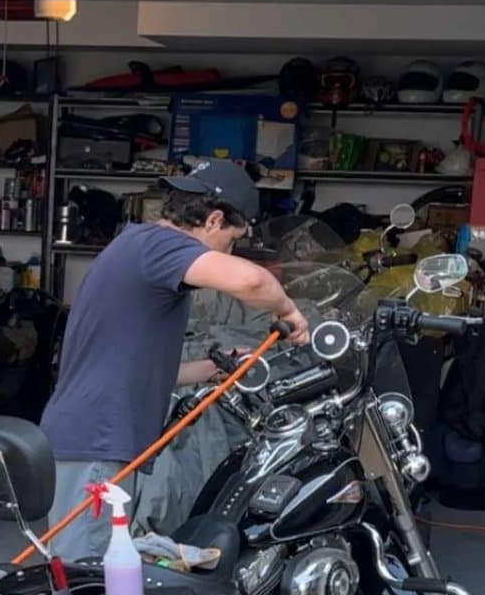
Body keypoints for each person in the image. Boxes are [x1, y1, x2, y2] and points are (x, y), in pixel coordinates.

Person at [40, 158, 309, 556]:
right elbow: (252, 280)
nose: (230, 250)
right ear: (214, 220)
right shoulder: (159, 246)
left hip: (95, 437)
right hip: (95, 443)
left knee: (97, 574)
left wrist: (215, 368)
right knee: (82, 582)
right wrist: (289, 312)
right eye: (232, 241)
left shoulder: (139, 249)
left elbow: (144, 370)